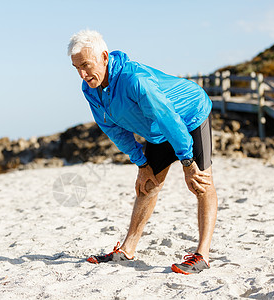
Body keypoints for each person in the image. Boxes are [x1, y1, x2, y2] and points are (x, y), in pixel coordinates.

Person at [68, 29, 218, 275]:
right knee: (147, 185)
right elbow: (112, 129)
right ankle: (127, 249)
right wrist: (141, 163)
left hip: (190, 117)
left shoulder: (135, 80)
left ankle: (202, 255)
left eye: (86, 65)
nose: (83, 74)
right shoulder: (90, 90)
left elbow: (168, 117)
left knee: (201, 182)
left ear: (104, 57)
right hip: (158, 131)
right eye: (77, 68)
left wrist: (188, 163)